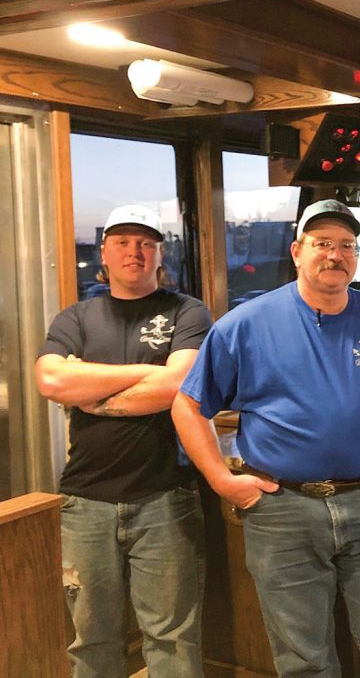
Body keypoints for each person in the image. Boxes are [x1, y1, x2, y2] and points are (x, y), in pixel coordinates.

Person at [171, 199, 360, 678]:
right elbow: (187, 405)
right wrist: (218, 478)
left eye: (346, 246)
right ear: (297, 251)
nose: (335, 255)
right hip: (281, 512)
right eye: (322, 244)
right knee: (303, 660)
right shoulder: (245, 324)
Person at [35, 204, 211, 678]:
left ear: (160, 256)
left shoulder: (186, 311)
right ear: (104, 256)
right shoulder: (77, 316)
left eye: (146, 243)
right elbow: (51, 381)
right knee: (90, 639)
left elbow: (178, 385)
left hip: (166, 496)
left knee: (172, 638)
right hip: (84, 500)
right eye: (122, 242)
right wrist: (147, 373)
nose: (134, 251)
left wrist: (91, 389)